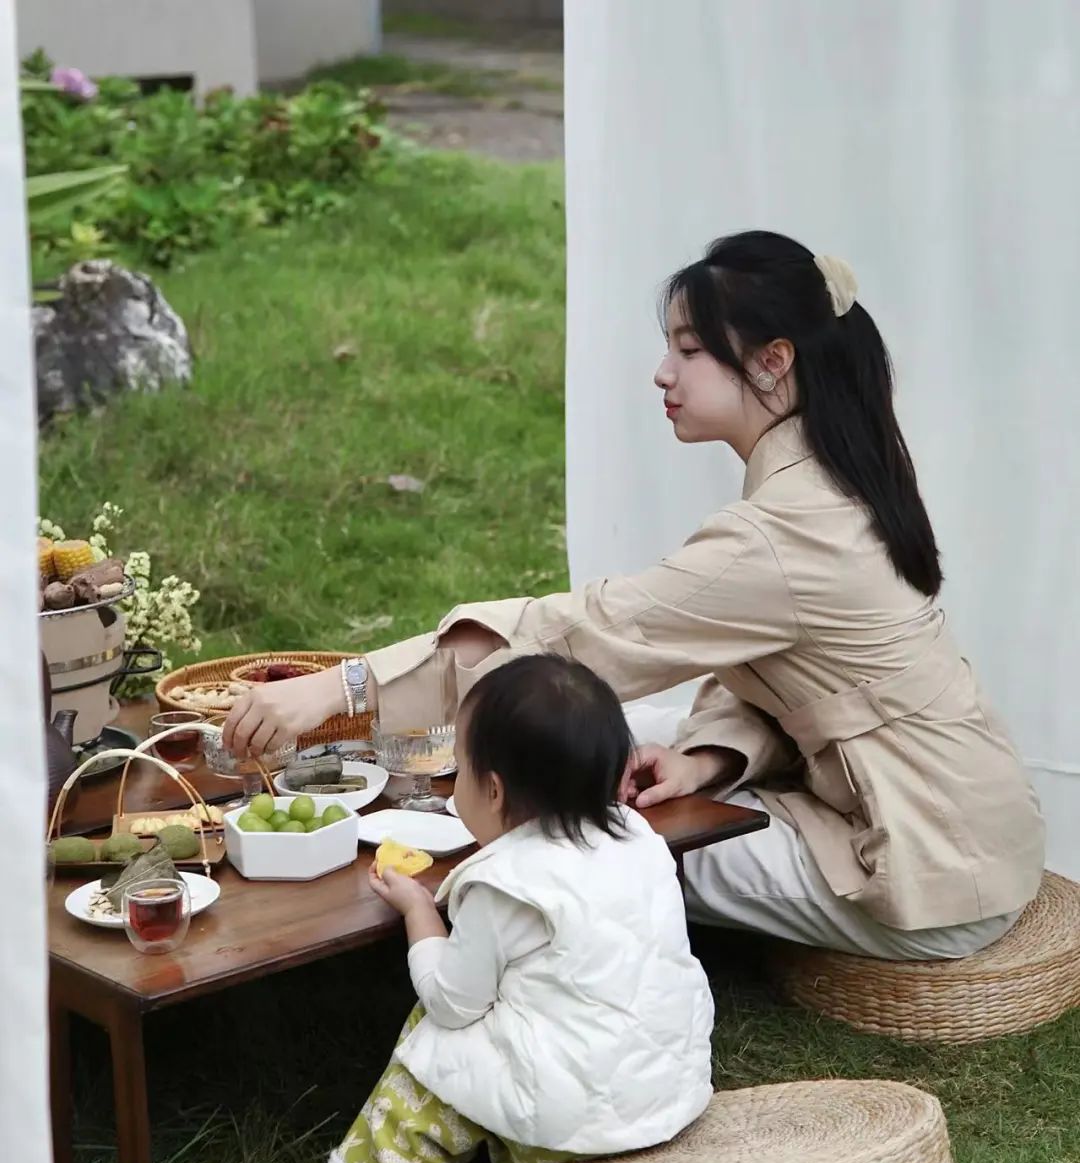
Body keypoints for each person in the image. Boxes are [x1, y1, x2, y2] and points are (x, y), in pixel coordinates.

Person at [225, 229, 1045, 961]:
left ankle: (453, 932)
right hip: (952, 818)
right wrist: (707, 759)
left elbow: (573, 638)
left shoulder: (783, 530)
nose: (663, 372)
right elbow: (787, 674)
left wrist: (342, 690)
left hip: (931, 869)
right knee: (615, 734)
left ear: (773, 361)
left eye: (689, 349)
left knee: (574, 825)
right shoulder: (838, 476)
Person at [313, 655, 715, 1163]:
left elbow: (453, 1004)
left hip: (566, 1122)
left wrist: (421, 913)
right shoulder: (637, 836)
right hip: (668, 1091)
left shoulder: (505, 884)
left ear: (494, 790)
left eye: (460, 767)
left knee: (427, 1047)